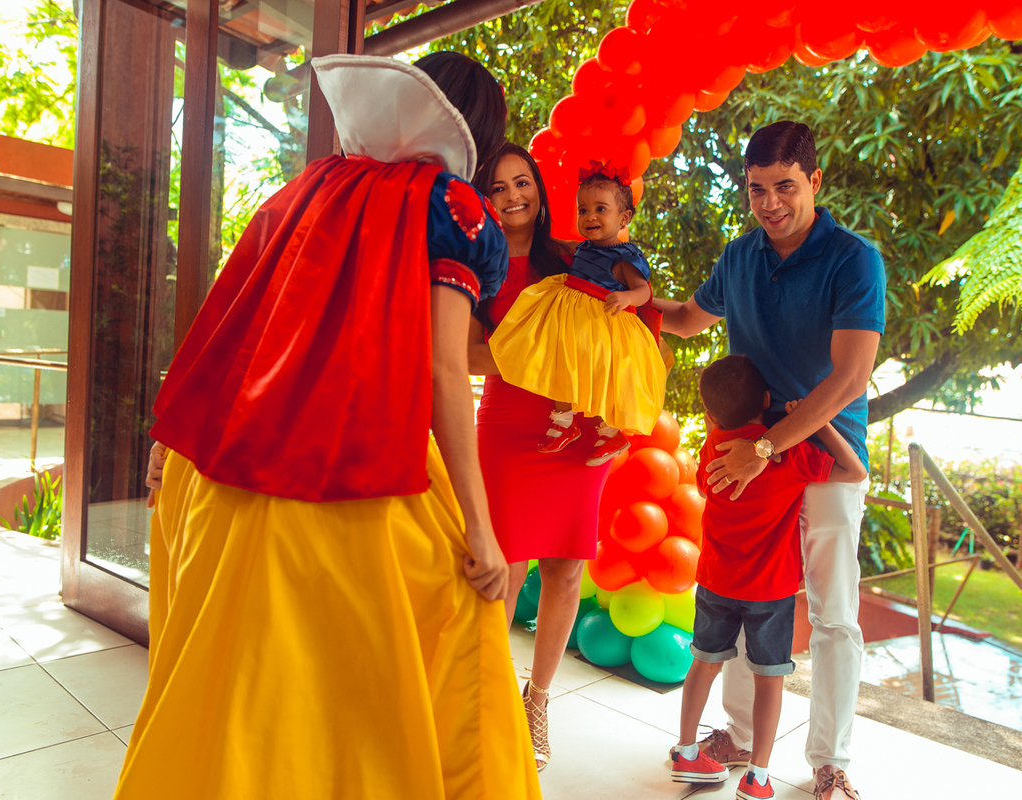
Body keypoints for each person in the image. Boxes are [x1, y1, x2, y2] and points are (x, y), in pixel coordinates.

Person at [119, 53, 541, 800]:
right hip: (353, 479)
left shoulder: (311, 185)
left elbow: (227, 315)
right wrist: (482, 528)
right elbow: (446, 373)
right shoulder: (453, 208)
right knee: (420, 663)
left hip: (227, 472)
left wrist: (166, 438)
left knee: (240, 693)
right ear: (478, 128)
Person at [654, 120, 885, 800]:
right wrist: (638, 303)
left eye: (785, 186)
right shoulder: (740, 256)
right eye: (757, 190)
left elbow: (849, 378)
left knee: (834, 611)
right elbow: (690, 318)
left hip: (827, 456)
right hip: (757, 455)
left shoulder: (853, 258)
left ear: (815, 181)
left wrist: (767, 448)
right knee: (746, 590)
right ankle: (740, 738)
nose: (771, 203)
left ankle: (831, 761)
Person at [469, 142, 612, 770]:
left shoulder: (573, 259)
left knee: (565, 571)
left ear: (539, 188)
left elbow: (615, 335)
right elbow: (466, 357)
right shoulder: (478, 263)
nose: (512, 197)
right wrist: (529, 350)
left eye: (521, 182)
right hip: (506, 429)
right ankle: (481, 698)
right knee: (505, 570)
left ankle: (537, 701)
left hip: (573, 427)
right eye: (498, 188)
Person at [670, 355, 866, 800]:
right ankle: (757, 777)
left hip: (715, 584)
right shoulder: (792, 454)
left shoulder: (714, 446)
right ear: (766, 400)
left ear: (709, 414)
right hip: (769, 593)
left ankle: (686, 751)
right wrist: (815, 423)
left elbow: (703, 487)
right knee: (769, 680)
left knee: (703, 662)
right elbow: (854, 472)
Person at [487, 162, 667, 466]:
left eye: (600, 209)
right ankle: (564, 421)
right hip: (571, 308)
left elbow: (644, 291)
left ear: (624, 218)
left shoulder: (623, 256)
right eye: (583, 210)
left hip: (601, 316)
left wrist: (626, 297)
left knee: (598, 372)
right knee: (564, 365)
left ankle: (610, 430)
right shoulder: (580, 248)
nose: (590, 216)